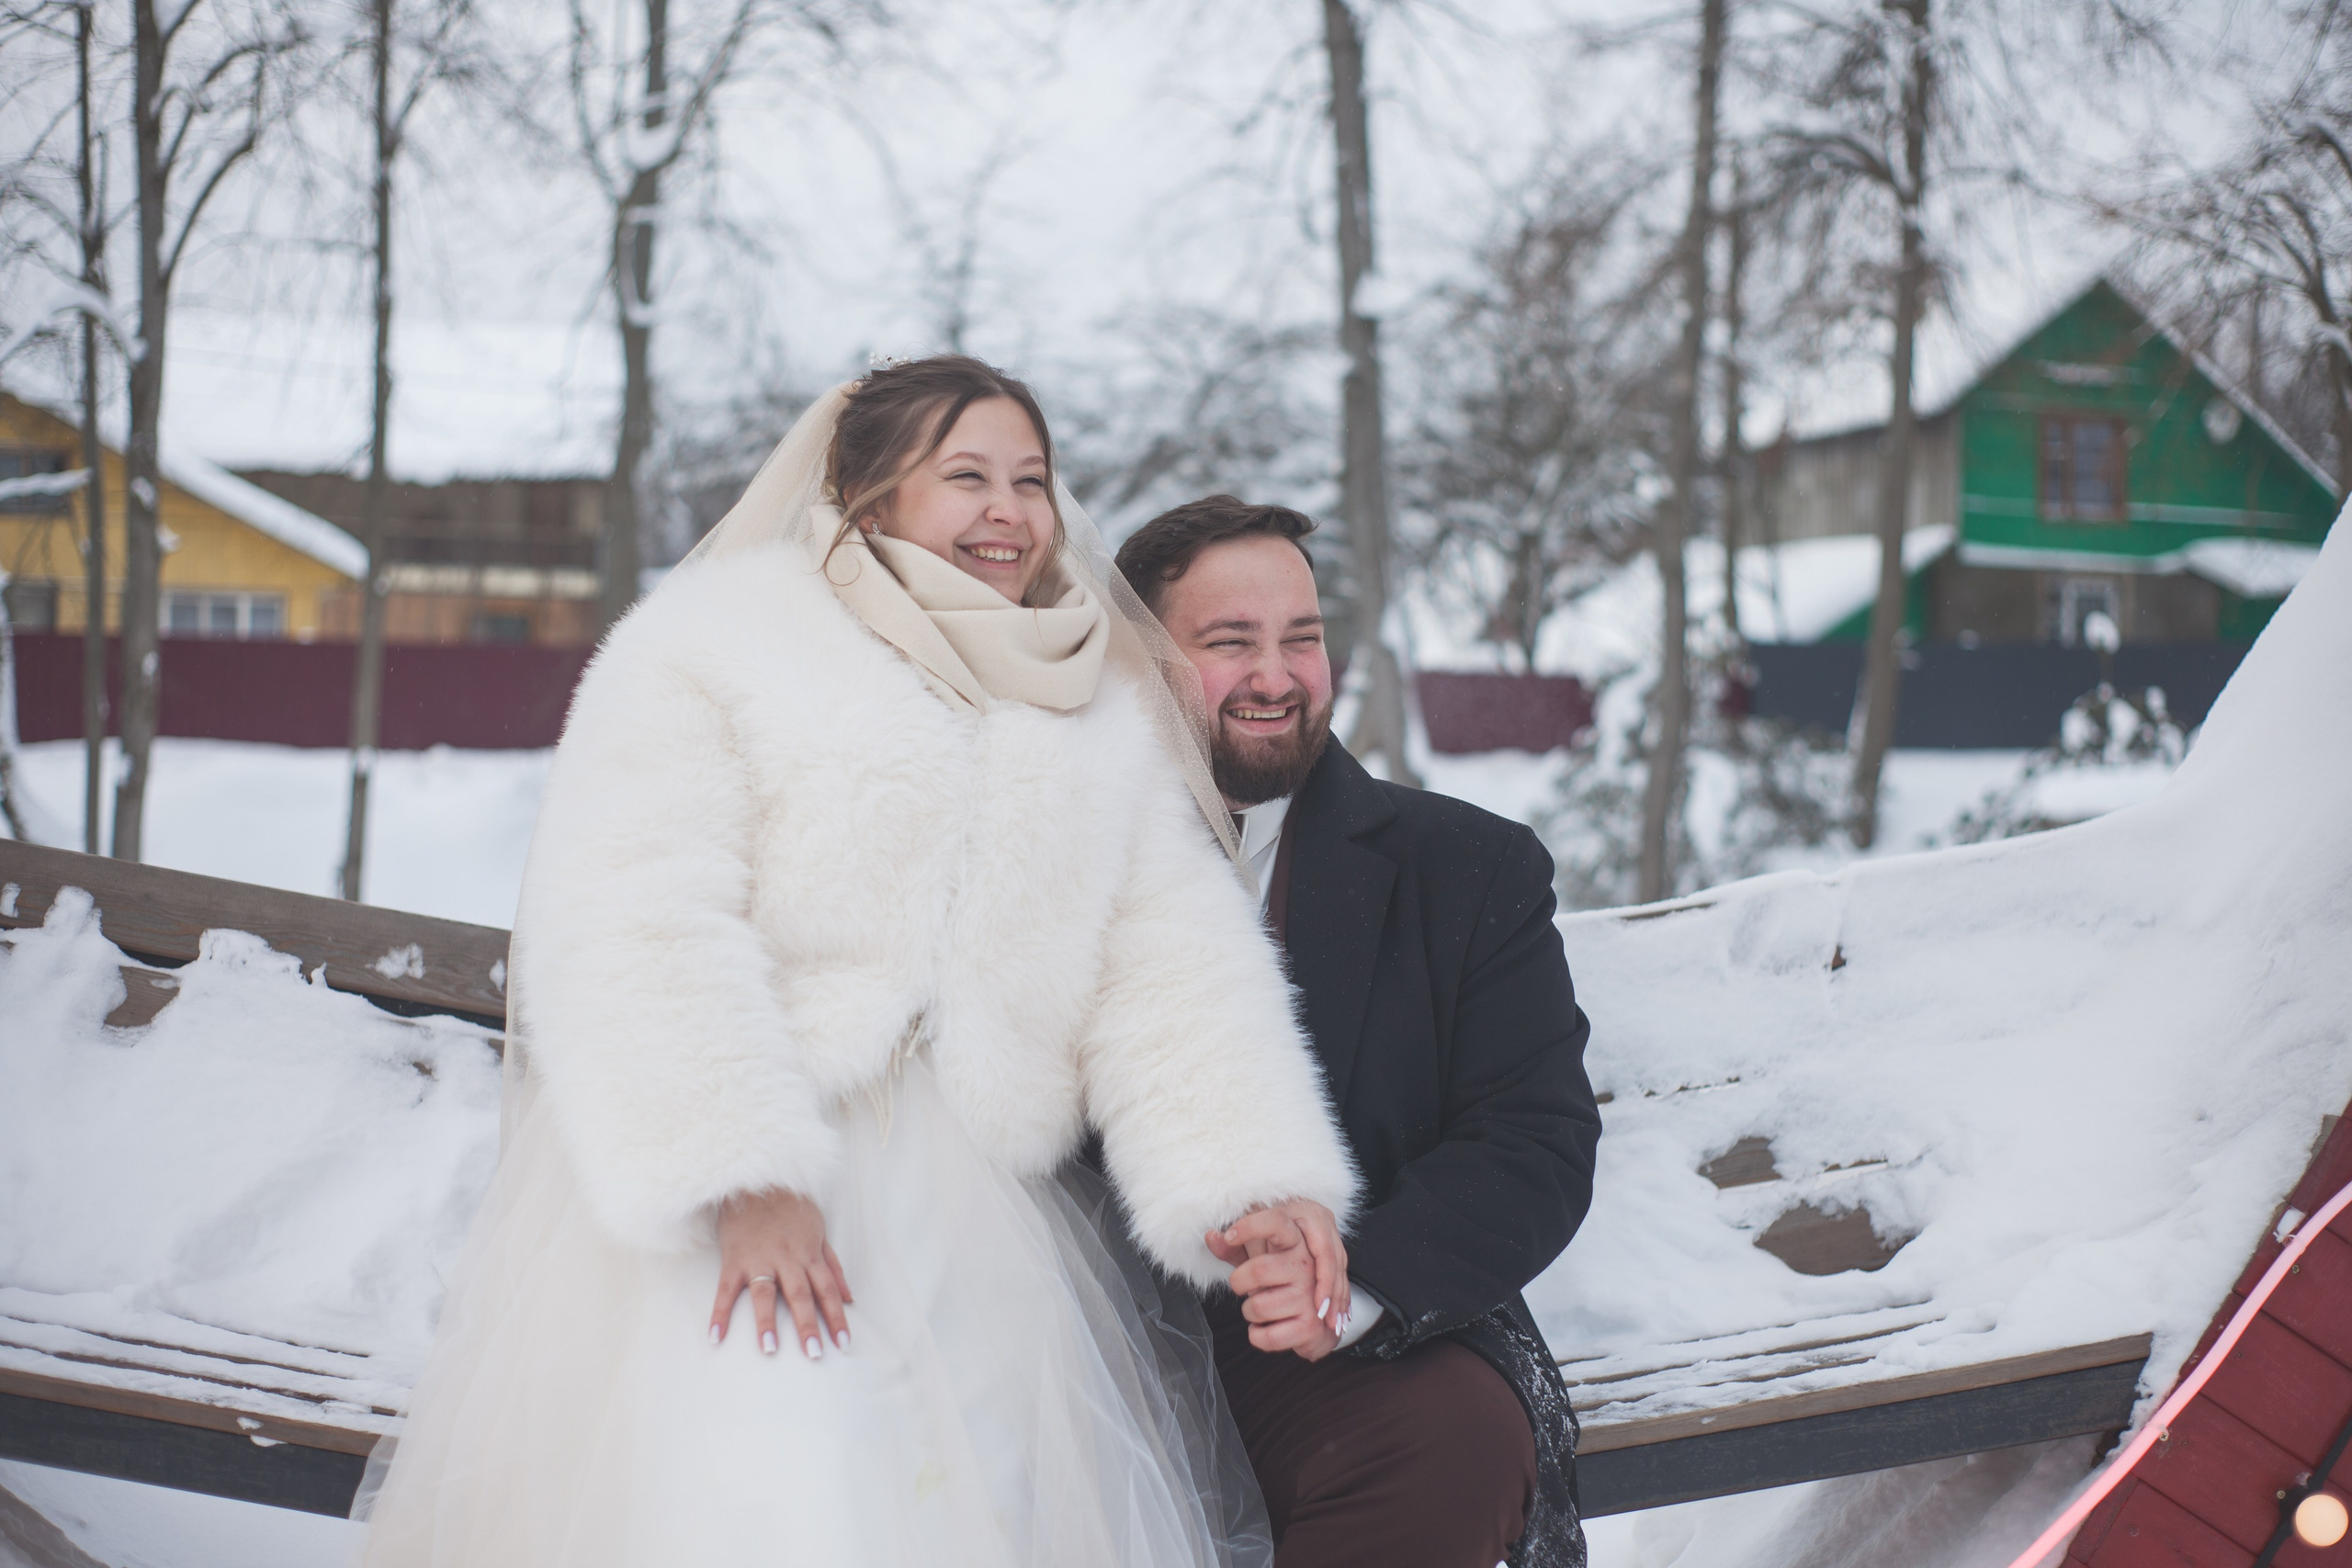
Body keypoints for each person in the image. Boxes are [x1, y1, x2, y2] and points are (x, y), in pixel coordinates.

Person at [354, 360, 1359, 1568]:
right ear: (869, 493)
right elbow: (630, 913)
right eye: (967, 476)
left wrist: (1251, 1180)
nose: (1010, 511)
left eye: (1032, 479)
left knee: (967, 1503)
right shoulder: (716, 646)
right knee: (774, 1492)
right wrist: (742, 1177)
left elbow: (1166, 964)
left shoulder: (1089, 700)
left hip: (974, 1205)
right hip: (743, 1180)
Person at [1116, 496, 1604, 1568]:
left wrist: (1348, 1285)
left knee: (1454, 1445)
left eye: (1301, 638)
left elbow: (1533, 1140)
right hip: (1086, 1327)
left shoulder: (1467, 869)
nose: (1277, 677)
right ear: (1138, 659)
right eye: (1229, 642)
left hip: (1341, 1343)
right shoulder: (1058, 858)